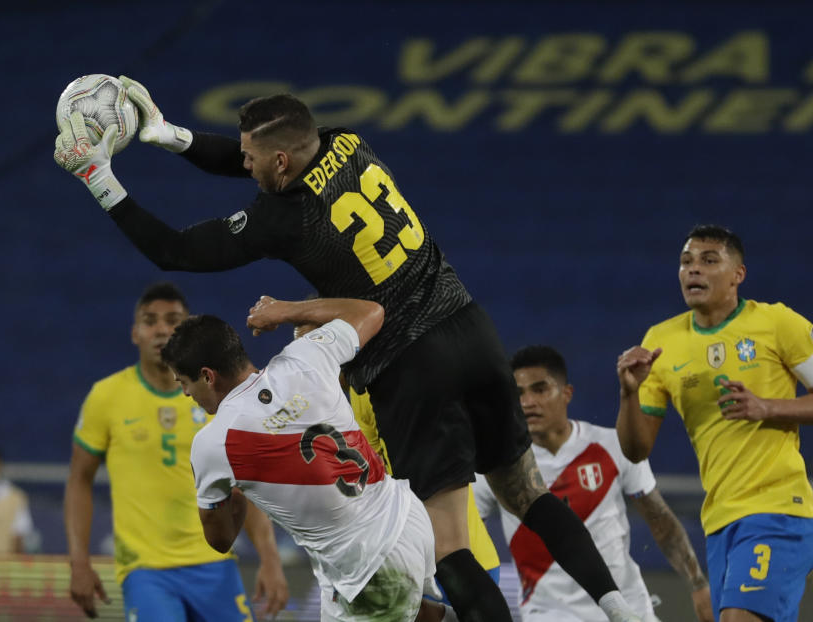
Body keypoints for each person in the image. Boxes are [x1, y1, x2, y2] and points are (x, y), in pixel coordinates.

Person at [54, 81, 641, 621]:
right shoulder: (345, 142)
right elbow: (254, 155)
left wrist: (99, 179)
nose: (246, 167)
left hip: (412, 364)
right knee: (527, 493)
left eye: (252, 159)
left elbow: (175, 250)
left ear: (280, 162)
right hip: (471, 326)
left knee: (448, 544)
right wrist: (168, 136)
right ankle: (625, 611)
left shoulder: (282, 218)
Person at [164, 295, 453, 622]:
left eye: (184, 383)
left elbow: (220, 539)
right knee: (418, 614)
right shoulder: (306, 356)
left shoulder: (213, 443)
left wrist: (234, 490)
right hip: (403, 519)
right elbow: (371, 312)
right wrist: (285, 311)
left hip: (368, 564)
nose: (186, 394)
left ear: (207, 376)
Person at [615, 225, 813, 622]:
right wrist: (629, 394)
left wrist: (768, 407)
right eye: (686, 262)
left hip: (777, 508)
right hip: (720, 519)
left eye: (708, 261)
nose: (694, 271)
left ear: (738, 274)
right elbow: (636, 450)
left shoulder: (777, 323)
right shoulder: (662, 342)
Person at [64, 282, 288, 621]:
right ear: (134, 332)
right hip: (146, 570)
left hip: (216, 564)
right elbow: (79, 480)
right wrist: (79, 561)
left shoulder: (217, 398)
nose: (161, 329)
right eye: (149, 320)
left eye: (172, 320)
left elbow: (242, 483)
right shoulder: (105, 397)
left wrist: (270, 558)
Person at [472, 345, 713, 622]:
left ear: (566, 394)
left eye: (540, 389)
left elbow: (660, 520)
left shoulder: (612, 445)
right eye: (519, 394)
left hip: (628, 607)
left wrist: (698, 585)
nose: (528, 402)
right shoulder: (497, 467)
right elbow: (465, 537)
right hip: (549, 615)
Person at [291, 321, 503, 597]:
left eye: (316, 349)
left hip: (453, 561)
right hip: (419, 563)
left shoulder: (388, 383)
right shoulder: (360, 390)